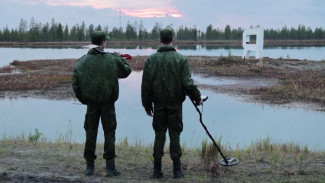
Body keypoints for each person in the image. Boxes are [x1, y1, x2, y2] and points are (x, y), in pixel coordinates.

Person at [141, 28, 202, 179]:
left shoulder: (151, 60)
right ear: (172, 39)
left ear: (159, 40)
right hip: (175, 105)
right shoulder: (180, 59)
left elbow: (145, 86)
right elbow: (187, 83)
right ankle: (177, 171)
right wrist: (197, 98)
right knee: (175, 134)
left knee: (159, 134)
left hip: (159, 105)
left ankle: (157, 170)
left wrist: (147, 106)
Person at [72, 31, 132, 176]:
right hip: (108, 105)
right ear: (102, 42)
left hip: (91, 105)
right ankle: (110, 167)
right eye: (105, 41)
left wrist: (84, 101)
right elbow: (126, 71)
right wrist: (120, 57)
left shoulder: (81, 62)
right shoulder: (112, 59)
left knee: (90, 134)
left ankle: (89, 167)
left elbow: (76, 85)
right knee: (109, 133)